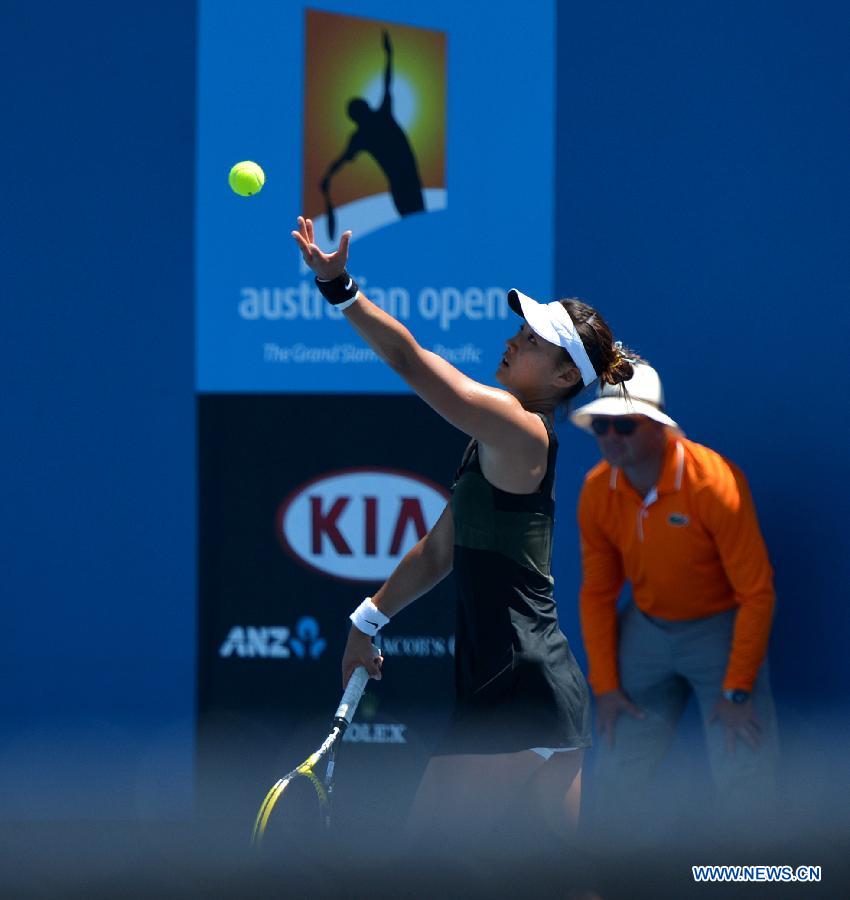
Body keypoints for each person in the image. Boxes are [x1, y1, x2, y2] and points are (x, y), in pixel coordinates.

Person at [291, 216, 632, 850]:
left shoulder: (520, 428)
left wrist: (340, 288)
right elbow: (439, 550)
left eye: (531, 341)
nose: (513, 341)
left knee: (425, 871)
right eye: (521, 330)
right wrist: (366, 621)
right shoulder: (495, 445)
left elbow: (407, 359)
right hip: (548, 688)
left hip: (514, 686)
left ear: (563, 378)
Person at [570, 363, 779, 838]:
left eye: (624, 424)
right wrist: (604, 687)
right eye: (601, 424)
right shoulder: (597, 491)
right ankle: (606, 885)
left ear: (660, 427)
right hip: (644, 631)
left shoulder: (715, 483)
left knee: (745, 773)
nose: (609, 436)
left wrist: (737, 690)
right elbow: (598, 593)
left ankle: (753, 883)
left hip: (719, 632)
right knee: (617, 773)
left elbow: (756, 593)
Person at [319, 30, 425, 225]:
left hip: (405, 185)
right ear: (362, 111)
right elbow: (387, 83)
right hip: (406, 185)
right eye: (363, 105)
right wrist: (389, 54)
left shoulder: (363, 133)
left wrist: (327, 177)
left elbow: (340, 161)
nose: (366, 105)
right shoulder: (377, 120)